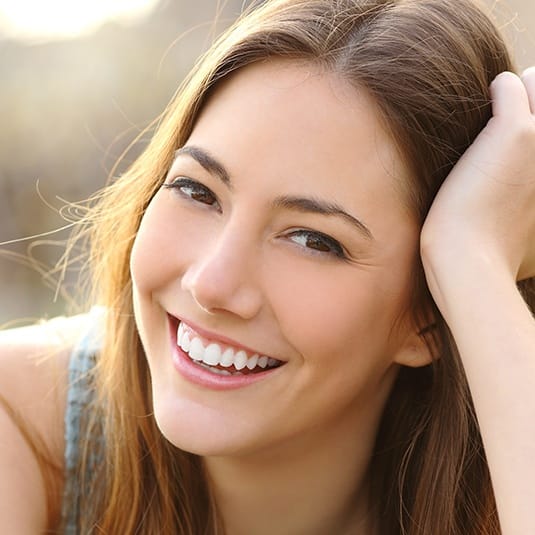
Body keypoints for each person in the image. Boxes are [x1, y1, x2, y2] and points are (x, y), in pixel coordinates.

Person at [1, 0, 534, 533]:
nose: (211, 283)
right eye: (196, 190)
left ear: (428, 316)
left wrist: (475, 263)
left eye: (312, 240)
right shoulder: (20, 423)